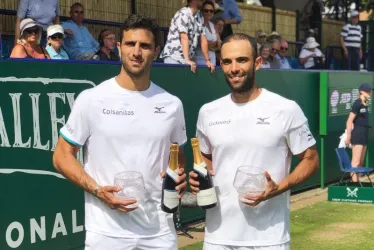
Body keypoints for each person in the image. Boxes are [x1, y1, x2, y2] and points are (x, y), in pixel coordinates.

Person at [53, 15, 188, 250]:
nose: (137, 52)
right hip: (106, 233)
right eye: (130, 44)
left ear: (156, 51)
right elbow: (61, 155)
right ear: (119, 47)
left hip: (159, 232)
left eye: (144, 46)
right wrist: (97, 190)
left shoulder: (172, 104)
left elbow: (177, 157)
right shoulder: (92, 99)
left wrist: (179, 176)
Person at [189, 33, 319, 250]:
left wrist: (279, 187)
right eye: (227, 61)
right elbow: (205, 157)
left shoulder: (285, 109)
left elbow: (311, 159)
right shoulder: (208, 112)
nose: (234, 68)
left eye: (242, 60)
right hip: (218, 237)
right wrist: (201, 178)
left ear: (257, 63)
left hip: (268, 239)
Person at [160, 0, 215, 73]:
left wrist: (207, 60)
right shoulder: (183, 14)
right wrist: (187, 59)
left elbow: (203, 39)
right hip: (174, 58)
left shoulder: (199, 17)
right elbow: (184, 38)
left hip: (186, 60)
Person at [345, 83, 372, 182]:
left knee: (360, 162)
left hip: (364, 134)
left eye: (370, 91)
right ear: (361, 92)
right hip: (358, 134)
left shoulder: (366, 104)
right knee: (355, 162)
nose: (370, 92)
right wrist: (348, 136)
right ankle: (354, 185)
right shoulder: (357, 103)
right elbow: (349, 121)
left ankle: (358, 182)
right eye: (367, 91)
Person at [196, 1, 221, 66]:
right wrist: (215, 43)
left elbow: (219, 45)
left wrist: (210, 44)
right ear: (201, 11)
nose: (209, 13)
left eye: (211, 11)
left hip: (212, 61)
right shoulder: (199, 24)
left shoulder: (212, 25)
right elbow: (201, 43)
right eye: (206, 10)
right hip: (200, 61)